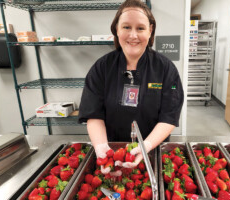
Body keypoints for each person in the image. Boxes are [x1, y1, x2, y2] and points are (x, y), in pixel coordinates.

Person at [78, 0, 184, 173]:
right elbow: (93, 114)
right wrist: (101, 148)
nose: (133, 35)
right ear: (116, 30)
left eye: (140, 28)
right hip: (113, 154)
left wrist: (147, 145)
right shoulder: (101, 67)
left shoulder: (165, 68)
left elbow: (169, 116)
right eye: (126, 27)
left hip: (153, 152)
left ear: (150, 31)